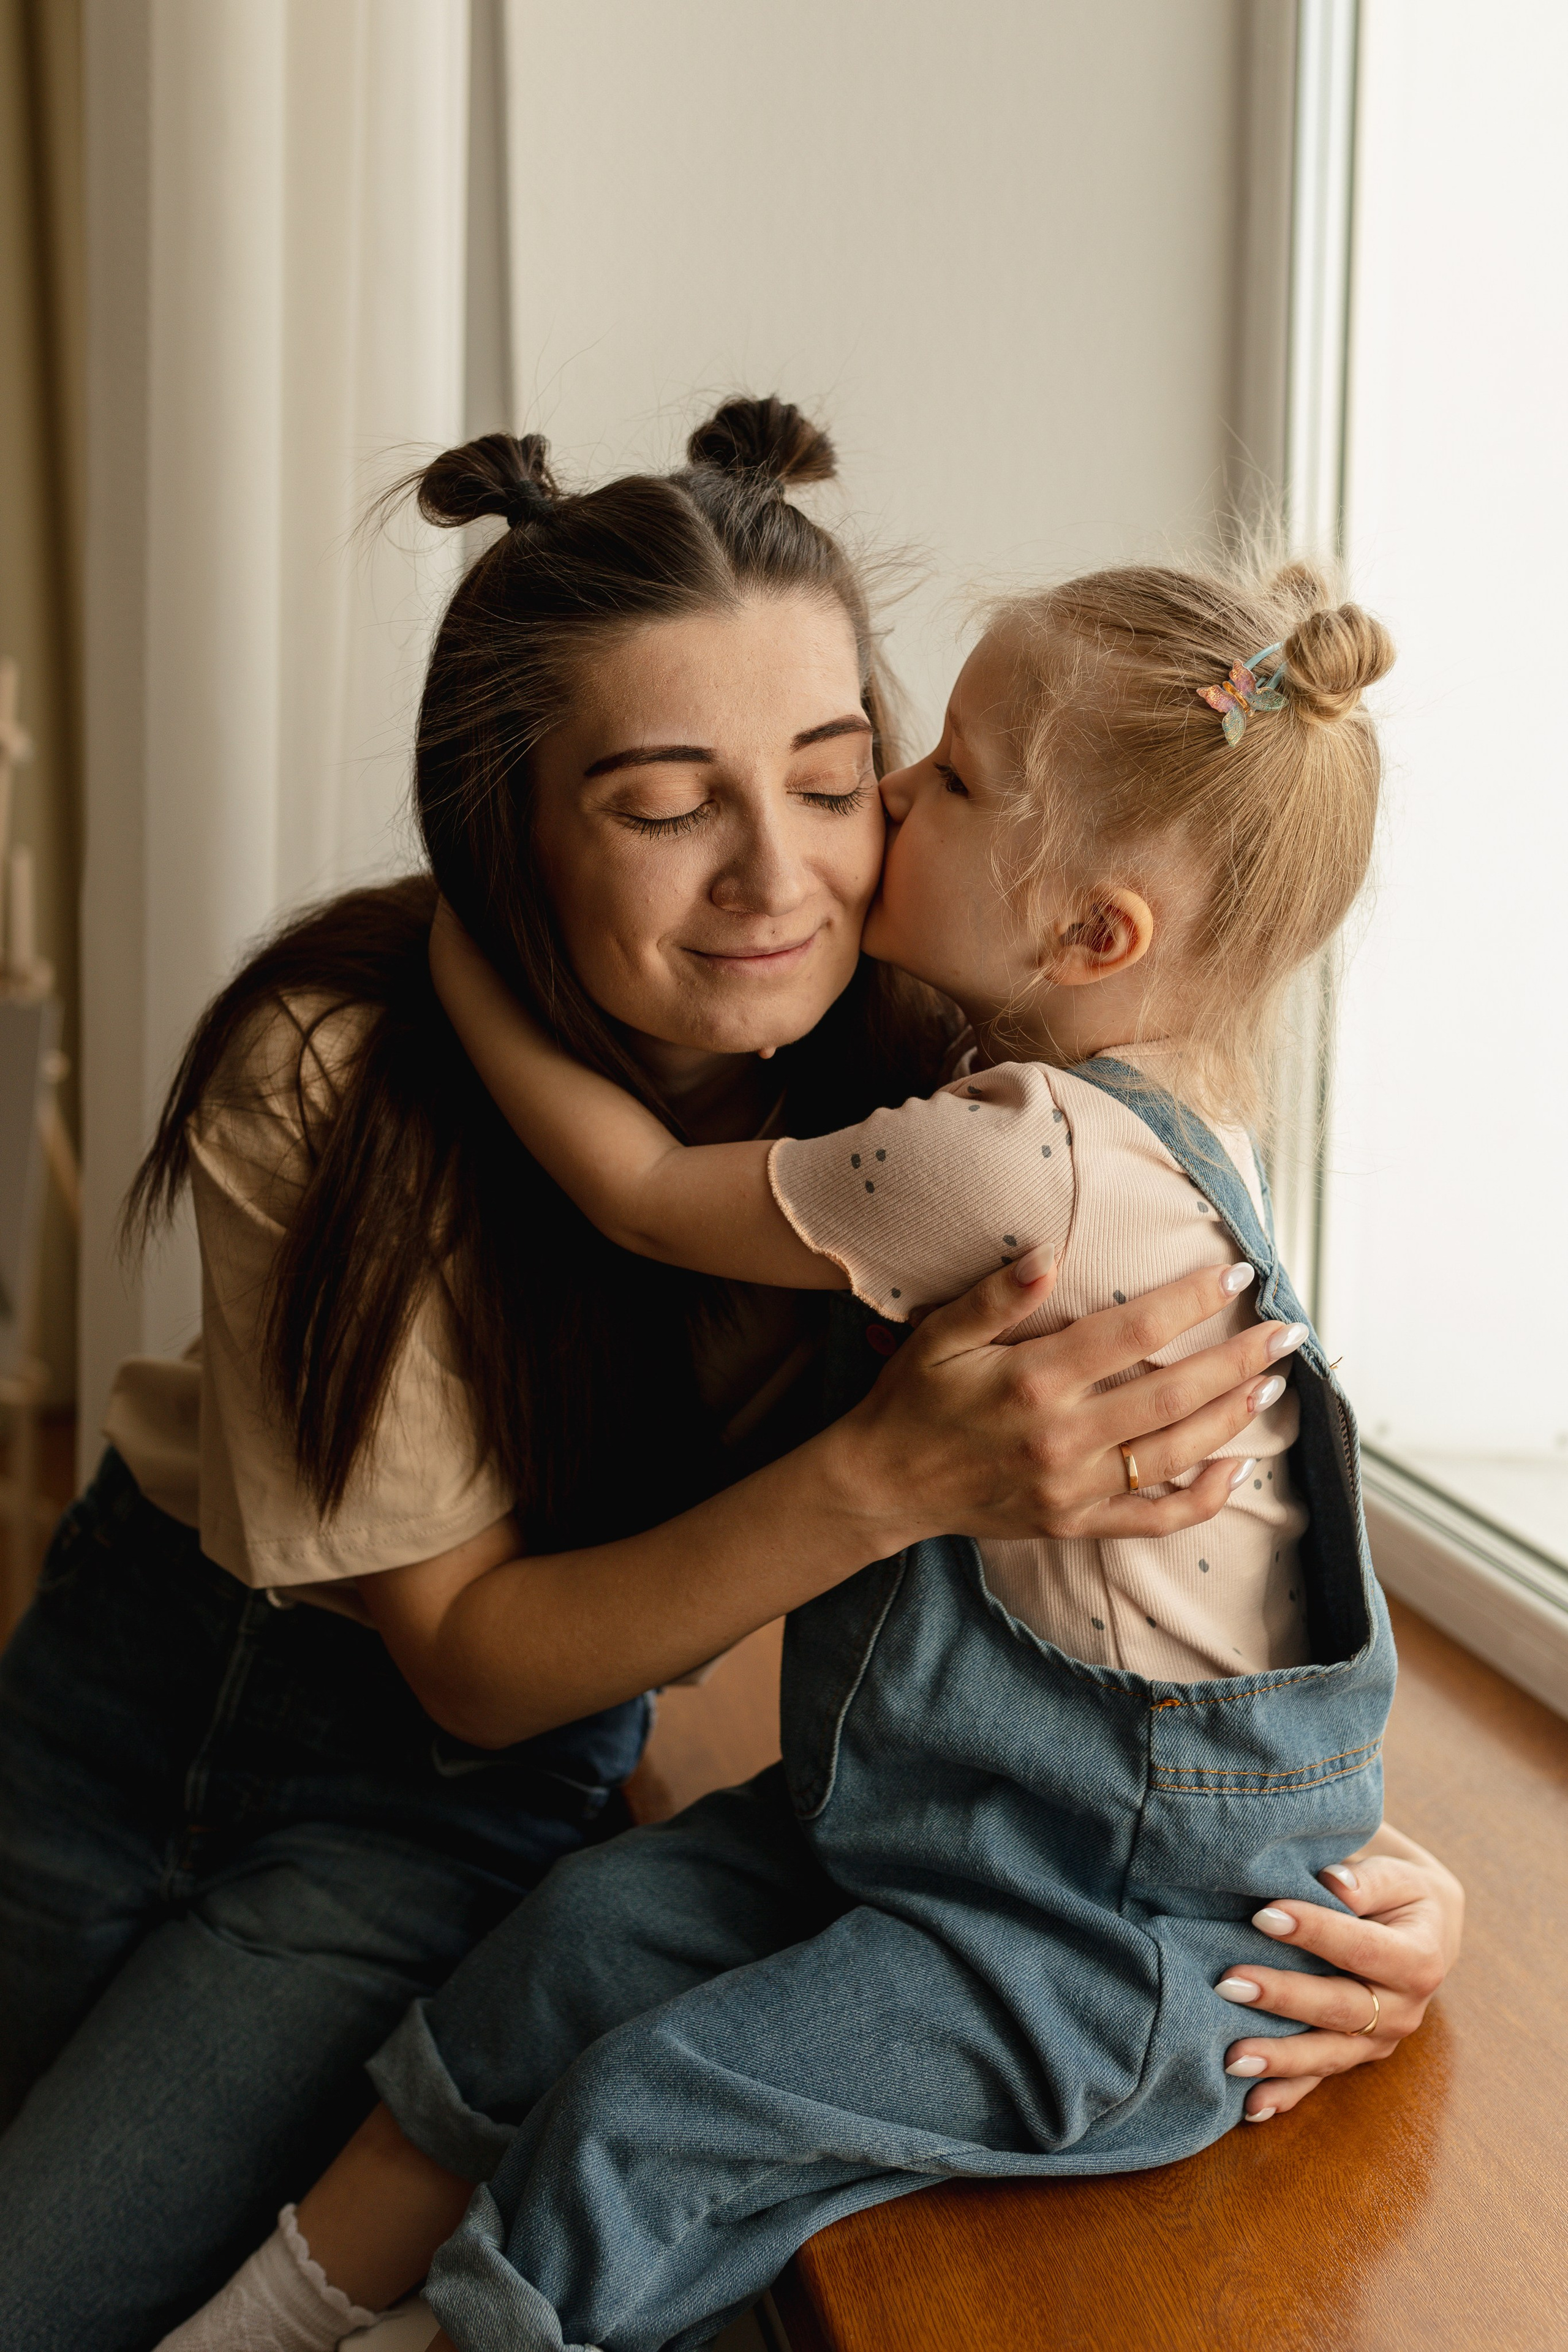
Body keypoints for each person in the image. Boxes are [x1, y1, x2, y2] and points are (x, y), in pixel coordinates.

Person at [158, 478, 1462, 2352]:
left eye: (905, 780)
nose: (865, 829)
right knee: (586, 1950)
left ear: (1093, 934)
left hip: (1079, 1925)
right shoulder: (1176, 1138)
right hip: (967, 1834)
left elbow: (630, 1192)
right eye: (674, 804)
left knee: (645, 2110)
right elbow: (1232, 1615)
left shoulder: (1013, 1158)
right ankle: (284, 2311)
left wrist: (456, 951)